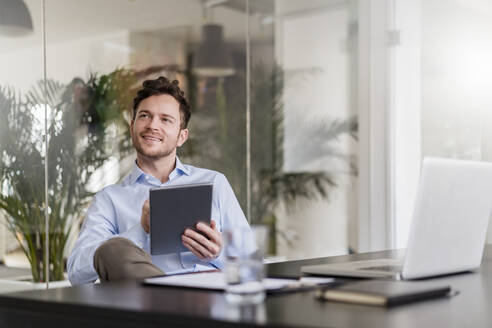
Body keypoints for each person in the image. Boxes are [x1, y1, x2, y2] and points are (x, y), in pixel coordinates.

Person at [67, 76, 250, 285]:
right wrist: (141, 230)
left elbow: (254, 261)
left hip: (207, 299)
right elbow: (76, 273)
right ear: (132, 126)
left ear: (182, 136)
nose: (153, 125)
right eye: (145, 116)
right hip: (147, 305)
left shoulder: (214, 183)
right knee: (111, 250)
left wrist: (218, 254)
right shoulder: (109, 199)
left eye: (166, 119)